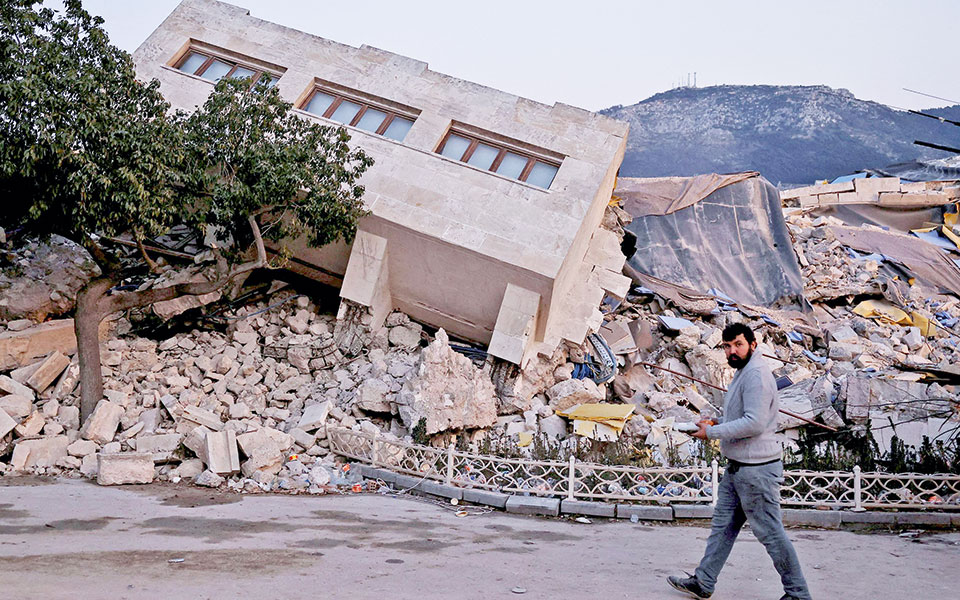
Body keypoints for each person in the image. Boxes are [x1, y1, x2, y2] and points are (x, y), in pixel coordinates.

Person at [667, 323, 811, 600]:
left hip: (756, 471)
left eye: (738, 345)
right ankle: (703, 581)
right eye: (727, 346)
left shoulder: (756, 374)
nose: (732, 351)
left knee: (771, 534)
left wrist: (712, 432)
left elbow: (755, 423)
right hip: (738, 468)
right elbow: (744, 415)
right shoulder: (745, 371)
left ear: (753, 345)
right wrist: (717, 422)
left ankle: (798, 594)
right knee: (723, 528)